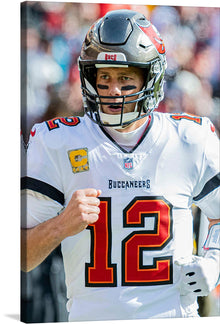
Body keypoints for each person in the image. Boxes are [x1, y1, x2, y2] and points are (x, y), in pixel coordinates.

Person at [21, 9, 220, 320]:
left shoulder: (190, 139)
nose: (113, 90)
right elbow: (20, 257)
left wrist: (215, 262)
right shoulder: (56, 142)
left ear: (149, 78)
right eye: (104, 77)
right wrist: (61, 225)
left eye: (126, 78)